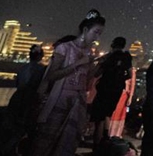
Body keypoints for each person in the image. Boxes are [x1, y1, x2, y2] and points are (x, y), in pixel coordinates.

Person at [30, 9, 105, 156]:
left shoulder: (88, 53)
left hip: (77, 102)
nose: (97, 37)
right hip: (59, 100)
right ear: (85, 29)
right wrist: (77, 63)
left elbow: (86, 80)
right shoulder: (64, 48)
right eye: (96, 32)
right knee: (45, 142)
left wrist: (98, 66)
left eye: (100, 34)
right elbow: (51, 75)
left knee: (67, 144)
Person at [1, 44, 45, 155]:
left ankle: (8, 148)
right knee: (26, 125)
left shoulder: (22, 68)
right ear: (40, 56)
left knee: (14, 124)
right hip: (29, 98)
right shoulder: (41, 69)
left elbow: (18, 83)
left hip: (17, 96)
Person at [90, 36, 133, 148]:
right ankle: (105, 139)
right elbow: (129, 75)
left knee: (99, 117)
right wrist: (119, 79)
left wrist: (99, 63)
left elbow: (96, 74)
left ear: (113, 44)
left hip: (104, 87)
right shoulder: (126, 57)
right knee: (108, 114)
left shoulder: (109, 57)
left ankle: (97, 144)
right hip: (117, 89)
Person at [108, 60, 136, 139]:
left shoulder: (131, 70)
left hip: (123, 95)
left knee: (120, 114)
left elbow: (132, 84)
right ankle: (111, 133)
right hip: (116, 93)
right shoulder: (117, 69)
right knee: (113, 114)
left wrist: (130, 96)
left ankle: (116, 134)